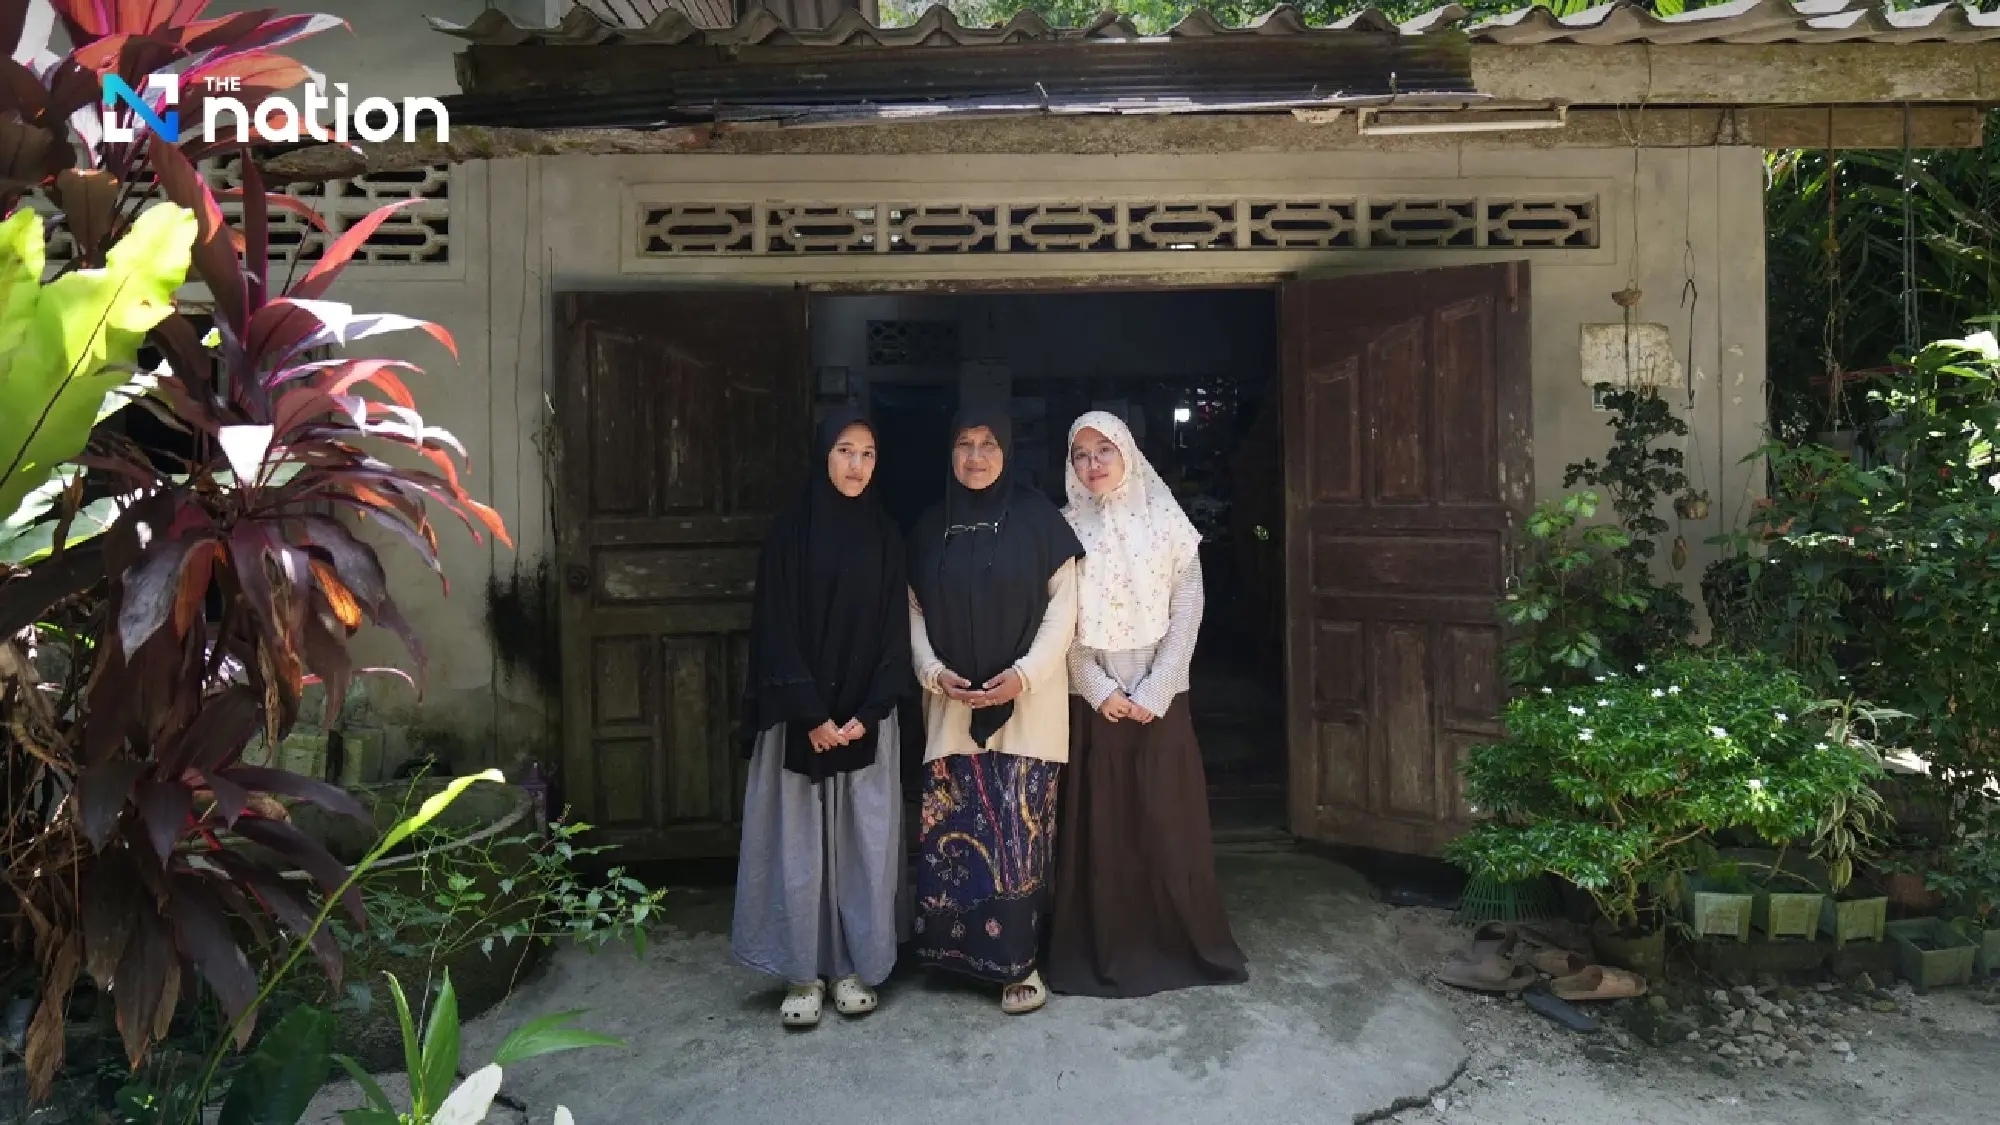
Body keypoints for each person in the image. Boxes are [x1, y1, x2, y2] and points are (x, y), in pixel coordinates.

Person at [1046, 410, 1249, 998]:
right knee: (1102, 824)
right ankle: (1105, 943)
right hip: (1093, 700)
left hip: (1162, 696)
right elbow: (1057, 622)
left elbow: (1187, 612)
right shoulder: (1062, 530)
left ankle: (1175, 943)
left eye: (1103, 450)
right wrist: (1099, 688)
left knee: (1164, 819)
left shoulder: (1169, 524)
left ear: (1127, 453)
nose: (1092, 465)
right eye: (1080, 454)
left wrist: (1156, 689)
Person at [731, 407, 912, 1029]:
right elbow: (774, 628)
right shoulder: (789, 533)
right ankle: (803, 974)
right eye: (844, 451)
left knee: (860, 846)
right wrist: (810, 713)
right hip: (799, 720)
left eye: (867, 454)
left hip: (864, 721)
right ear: (822, 456)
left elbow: (895, 632)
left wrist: (868, 712)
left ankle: (855, 966)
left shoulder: (887, 535)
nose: (856, 465)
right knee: (800, 847)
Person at [907, 408, 1084, 1015]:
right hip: (951, 706)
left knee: (1018, 837)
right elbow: (912, 614)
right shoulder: (932, 526)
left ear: (1008, 451)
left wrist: (1023, 677)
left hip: (1027, 707)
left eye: (987, 444)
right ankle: (952, 956)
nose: (975, 457)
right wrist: (934, 674)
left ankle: (1020, 965)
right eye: (963, 444)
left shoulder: (1039, 520)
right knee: (953, 833)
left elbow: (1065, 611)